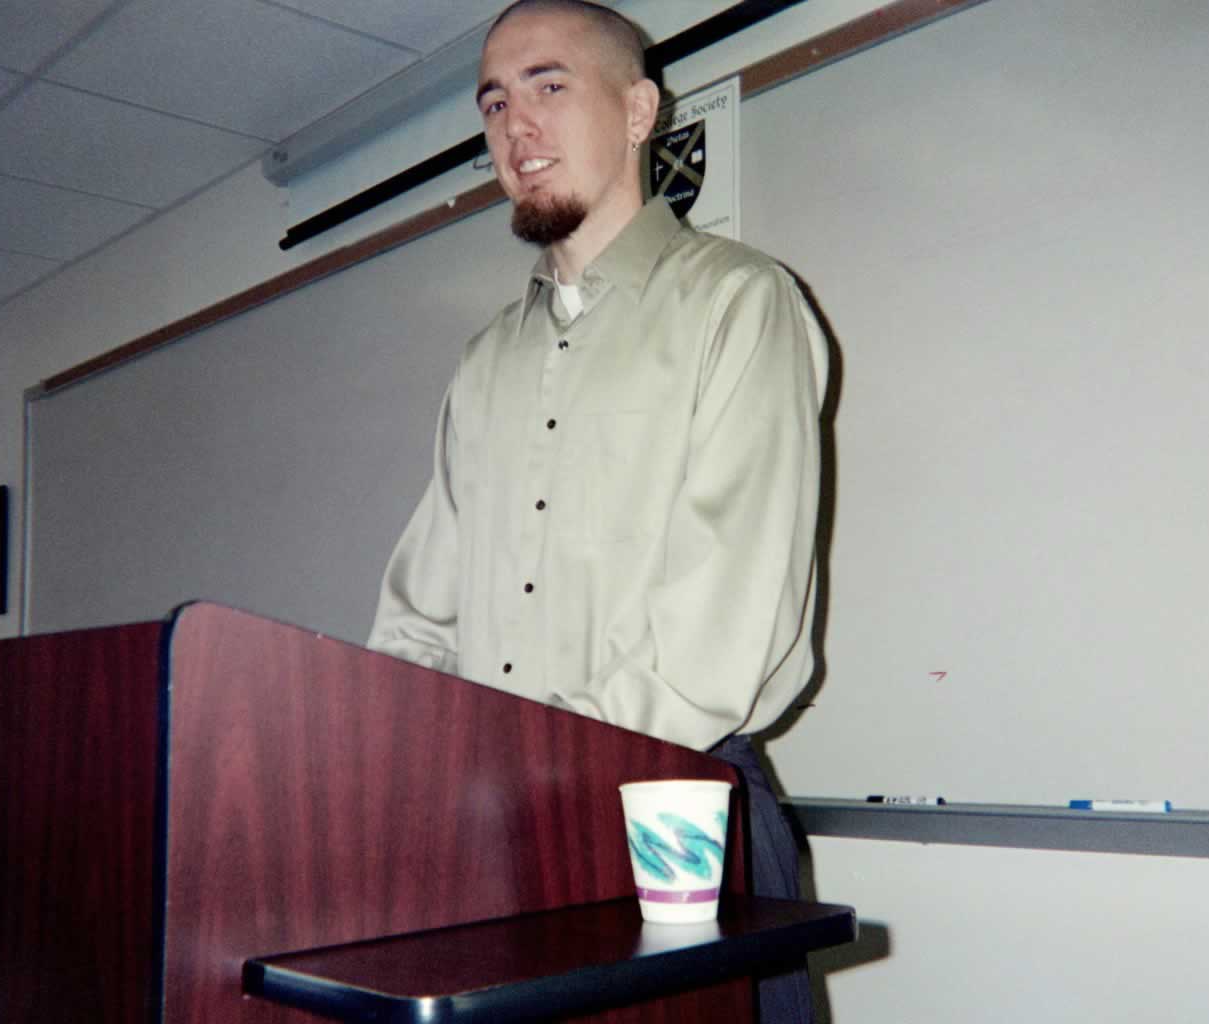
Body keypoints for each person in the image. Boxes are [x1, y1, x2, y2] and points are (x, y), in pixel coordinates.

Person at [369, 2, 827, 1019]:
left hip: (678, 829)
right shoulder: (485, 361)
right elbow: (418, 621)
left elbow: (718, 641)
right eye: (495, 101)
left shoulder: (738, 304)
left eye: (549, 85)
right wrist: (388, 765)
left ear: (638, 111)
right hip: (498, 830)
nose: (514, 125)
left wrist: (515, 767)